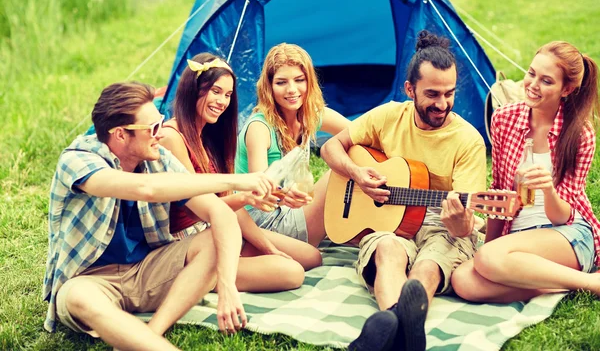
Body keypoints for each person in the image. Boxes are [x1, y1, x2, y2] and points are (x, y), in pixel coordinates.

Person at [43, 82, 275, 351]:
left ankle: (152, 331)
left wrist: (227, 285)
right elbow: (147, 189)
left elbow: (219, 211)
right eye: (152, 128)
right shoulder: (78, 160)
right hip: (90, 278)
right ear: (120, 134)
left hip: (148, 270)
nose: (160, 133)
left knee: (217, 238)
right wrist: (241, 180)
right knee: (79, 300)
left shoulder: (158, 156)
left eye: (161, 122)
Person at [320, 30, 487, 351]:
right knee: (387, 251)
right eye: (433, 94)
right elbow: (332, 147)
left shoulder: (468, 141)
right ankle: (403, 329)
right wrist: (358, 174)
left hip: (442, 225)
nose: (443, 104)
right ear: (410, 89)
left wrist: (460, 222)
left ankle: (390, 327)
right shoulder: (388, 116)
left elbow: (465, 225)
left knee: (428, 264)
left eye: (450, 93)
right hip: (389, 224)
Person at [159, 53, 322, 293]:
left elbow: (231, 210)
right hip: (189, 243)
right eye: (215, 91)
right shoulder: (172, 137)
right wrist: (247, 197)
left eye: (227, 95)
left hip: (221, 229)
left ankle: (229, 267)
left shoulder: (210, 137)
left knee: (311, 256)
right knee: (292, 273)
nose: (222, 102)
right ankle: (200, 277)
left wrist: (268, 247)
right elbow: (199, 208)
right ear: (193, 89)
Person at [451, 41, 600, 303]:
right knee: (463, 280)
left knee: (489, 259)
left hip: (566, 233)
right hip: (518, 237)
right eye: (531, 73)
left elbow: (563, 216)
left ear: (566, 89)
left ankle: (591, 283)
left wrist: (548, 190)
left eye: (546, 81)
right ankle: (554, 281)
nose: (532, 85)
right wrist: (491, 244)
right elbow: (499, 192)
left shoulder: (580, 134)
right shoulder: (504, 119)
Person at [235, 43, 350, 247]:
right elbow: (261, 193)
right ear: (269, 86)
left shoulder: (310, 115)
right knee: (339, 172)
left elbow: (359, 132)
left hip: (293, 210)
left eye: (299, 80)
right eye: (281, 82)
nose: (292, 90)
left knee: (357, 153)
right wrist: (285, 194)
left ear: (309, 82)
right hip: (264, 223)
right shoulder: (259, 128)